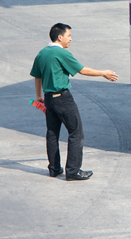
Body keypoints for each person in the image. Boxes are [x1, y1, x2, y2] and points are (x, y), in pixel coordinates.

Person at [30, 23, 119, 181]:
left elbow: (37, 76)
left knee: (52, 133)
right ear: (60, 37)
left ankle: (54, 168)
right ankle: (73, 171)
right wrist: (103, 73)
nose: (71, 39)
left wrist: (39, 96)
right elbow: (82, 70)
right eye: (69, 35)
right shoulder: (61, 53)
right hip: (63, 99)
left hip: (49, 98)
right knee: (76, 132)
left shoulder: (42, 53)